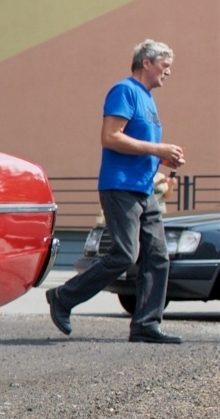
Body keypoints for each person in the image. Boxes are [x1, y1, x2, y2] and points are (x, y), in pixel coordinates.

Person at [47, 39, 186, 344]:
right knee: (125, 254)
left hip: (144, 189)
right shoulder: (125, 91)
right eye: (165, 65)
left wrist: (160, 159)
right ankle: (62, 297)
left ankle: (146, 326)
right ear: (146, 62)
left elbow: (136, 145)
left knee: (158, 256)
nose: (169, 72)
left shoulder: (148, 99)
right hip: (120, 187)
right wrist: (158, 147)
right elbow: (110, 137)